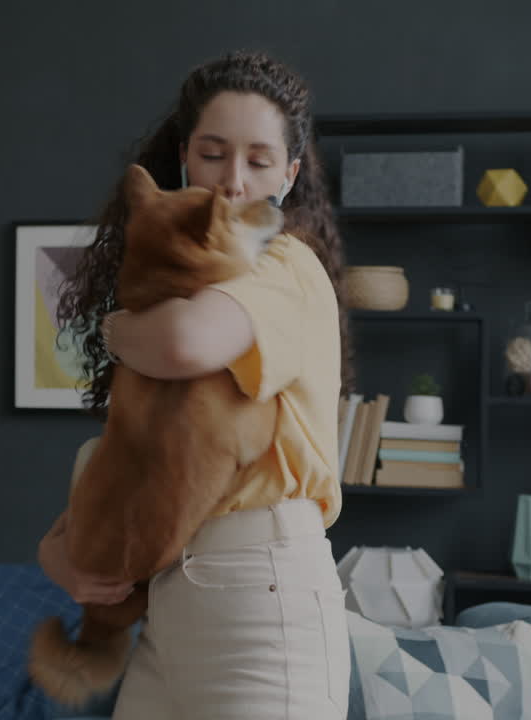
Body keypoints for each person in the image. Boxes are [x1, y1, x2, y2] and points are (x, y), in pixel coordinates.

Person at [38, 49, 354, 719]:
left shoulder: (285, 263)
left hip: (261, 599)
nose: (231, 181)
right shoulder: (193, 281)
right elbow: (141, 455)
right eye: (213, 154)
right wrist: (60, 554)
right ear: (184, 156)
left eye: (259, 160)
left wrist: (119, 330)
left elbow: (185, 342)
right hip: (173, 601)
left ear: (290, 174)